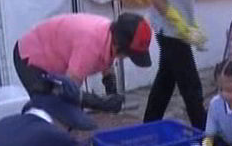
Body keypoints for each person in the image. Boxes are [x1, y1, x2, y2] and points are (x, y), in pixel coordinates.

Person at [15, 12, 153, 113]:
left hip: (52, 55)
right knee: (50, 109)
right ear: (118, 46)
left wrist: (112, 92)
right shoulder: (89, 46)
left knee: (68, 111)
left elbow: (108, 61)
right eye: (129, 54)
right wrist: (101, 104)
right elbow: (67, 91)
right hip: (30, 57)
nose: (127, 58)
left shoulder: (110, 33)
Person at [143, 0, 208, 129]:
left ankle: (148, 127)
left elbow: (182, 2)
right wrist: (178, 22)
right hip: (170, 33)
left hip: (179, 33)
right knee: (191, 86)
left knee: (164, 84)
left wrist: (192, 25)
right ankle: (205, 135)